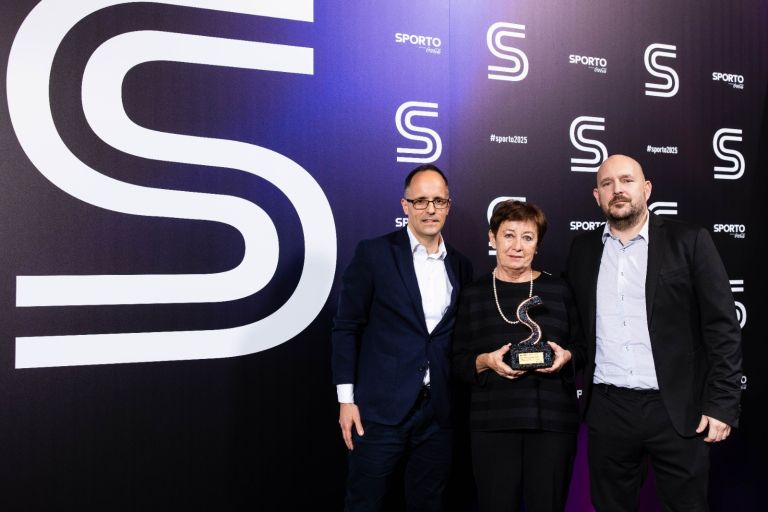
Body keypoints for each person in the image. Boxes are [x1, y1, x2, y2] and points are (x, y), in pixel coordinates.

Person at [565, 154, 743, 511]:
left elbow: (722, 328)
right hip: (608, 409)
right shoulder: (582, 249)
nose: (617, 189)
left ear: (646, 189)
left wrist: (723, 404)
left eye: (627, 180)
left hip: (677, 409)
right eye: (607, 183)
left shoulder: (690, 241)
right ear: (597, 196)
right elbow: (578, 330)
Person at [331, 164, 473, 512]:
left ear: (448, 206)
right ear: (405, 205)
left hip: (438, 412)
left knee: (429, 503)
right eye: (420, 200)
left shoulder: (461, 265)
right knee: (365, 503)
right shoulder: (374, 254)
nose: (430, 209)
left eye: (438, 201)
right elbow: (347, 326)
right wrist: (346, 400)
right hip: (380, 411)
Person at [452, 200, 580, 512]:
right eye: (508, 235)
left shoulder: (559, 290)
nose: (517, 246)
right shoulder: (473, 294)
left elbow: (584, 349)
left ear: (538, 244)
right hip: (492, 424)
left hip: (552, 425)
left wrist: (566, 356)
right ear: (492, 238)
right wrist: (486, 361)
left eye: (527, 237)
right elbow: (457, 360)